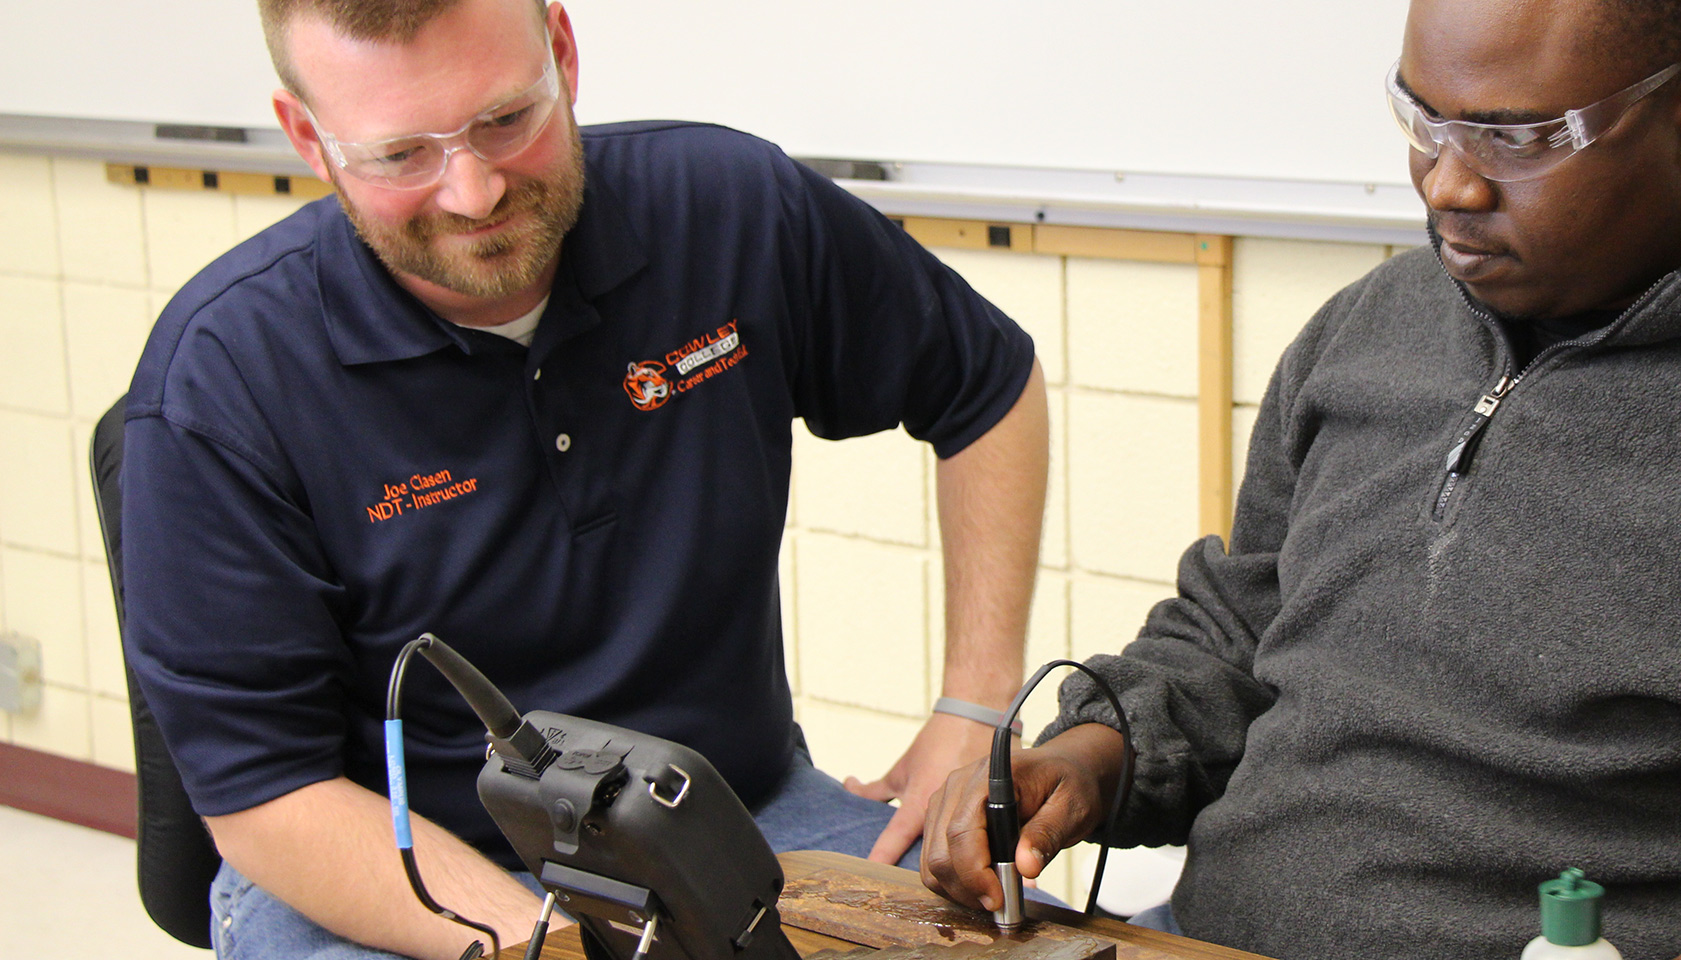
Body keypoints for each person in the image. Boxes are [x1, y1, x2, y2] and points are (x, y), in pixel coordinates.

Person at [920, 1, 1681, 959]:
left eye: (1516, 136)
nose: (1447, 180)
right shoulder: (1366, 330)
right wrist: (1093, 756)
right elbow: (1235, 635)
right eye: (1421, 119)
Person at [119, 0, 1048, 956]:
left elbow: (987, 385)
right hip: (395, 875)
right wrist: (557, 945)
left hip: (732, 822)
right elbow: (268, 797)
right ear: (309, 138)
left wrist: (973, 710)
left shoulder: (727, 206)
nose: (473, 192)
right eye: (400, 156)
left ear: (561, 51)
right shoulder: (220, 381)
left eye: (506, 121)